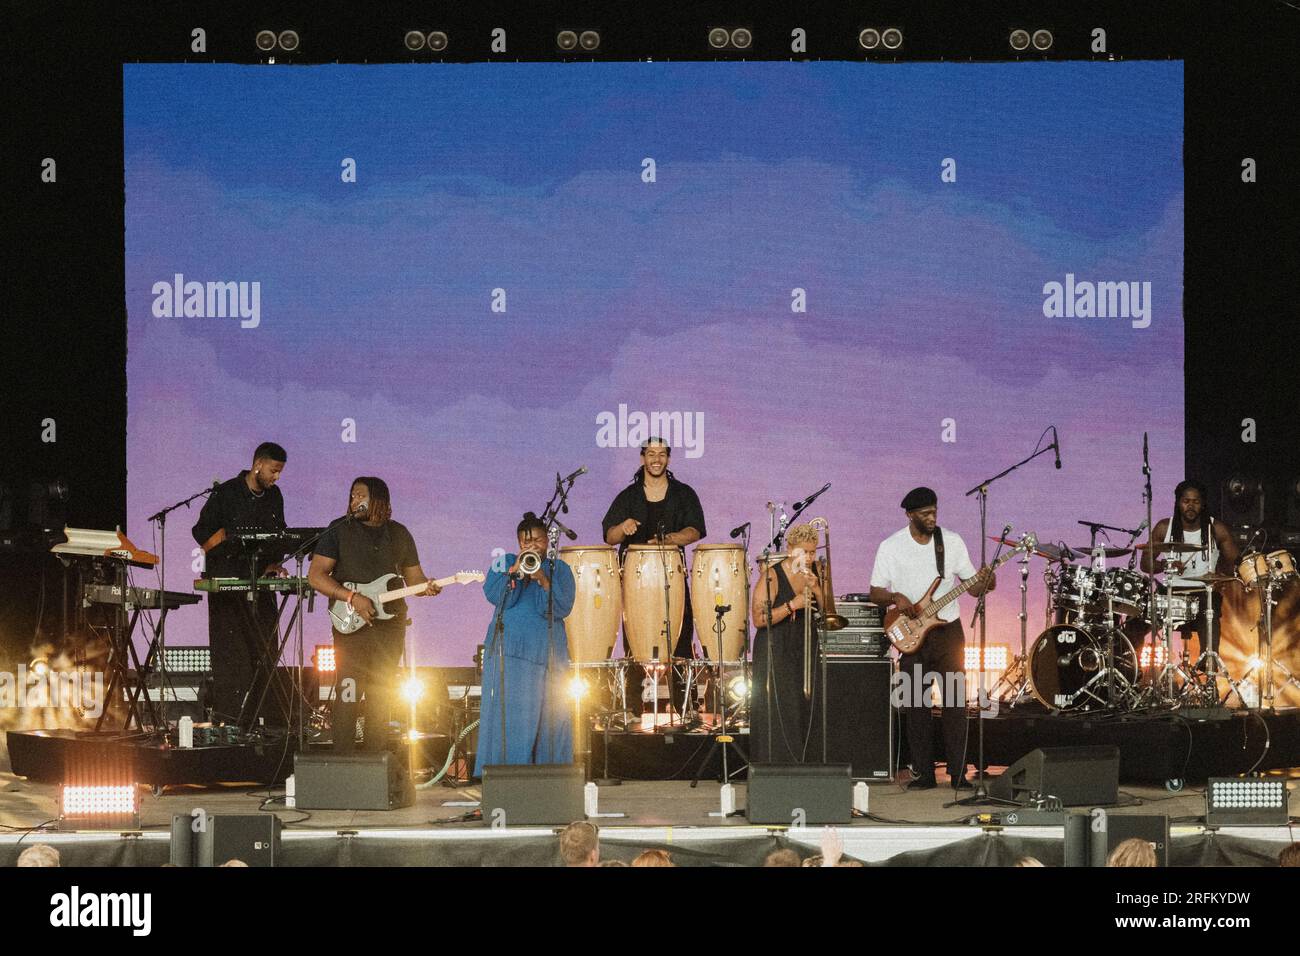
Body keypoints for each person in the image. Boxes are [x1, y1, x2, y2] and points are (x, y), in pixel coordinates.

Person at [868, 486, 994, 791]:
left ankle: (958, 774)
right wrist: (896, 596)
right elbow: (875, 593)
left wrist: (987, 582)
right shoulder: (891, 546)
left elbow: (973, 586)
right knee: (916, 706)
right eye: (925, 513)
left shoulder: (950, 542)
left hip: (948, 631)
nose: (931, 517)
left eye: (935, 511)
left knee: (955, 704)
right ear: (910, 515)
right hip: (912, 634)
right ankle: (923, 774)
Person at [308, 477, 441, 753]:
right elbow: (316, 576)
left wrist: (427, 588)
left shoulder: (399, 534)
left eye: (360, 496)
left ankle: (374, 766)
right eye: (352, 495)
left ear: (378, 500)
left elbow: (414, 579)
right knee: (348, 694)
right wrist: (352, 597)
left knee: (382, 697)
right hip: (351, 628)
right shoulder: (338, 530)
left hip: (390, 628)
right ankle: (344, 763)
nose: (354, 501)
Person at [601, 438, 706, 712]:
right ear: (642, 458)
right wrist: (623, 527)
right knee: (635, 642)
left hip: (672, 574)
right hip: (636, 580)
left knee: (681, 639)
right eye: (651, 454)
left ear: (668, 459)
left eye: (661, 454)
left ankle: (685, 708)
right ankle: (632, 710)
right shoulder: (628, 496)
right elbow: (609, 537)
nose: (656, 459)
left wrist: (670, 538)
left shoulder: (683, 493)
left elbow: (694, 530)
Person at [192, 441, 288, 727]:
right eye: (273, 470)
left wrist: (273, 563)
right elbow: (201, 532)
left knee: (266, 651)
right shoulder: (226, 493)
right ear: (258, 464)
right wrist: (225, 543)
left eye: (280, 472)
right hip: (229, 584)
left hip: (261, 586)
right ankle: (229, 722)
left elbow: (278, 535)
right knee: (232, 654)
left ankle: (266, 722)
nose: (276, 478)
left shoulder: (275, 496)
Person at [474, 513, 576, 776]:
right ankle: (506, 780)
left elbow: (560, 608)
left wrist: (542, 579)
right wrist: (516, 572)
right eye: (525, 542)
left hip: (547, 653)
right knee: (510, 722)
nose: (532, 547)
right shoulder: (505, 562)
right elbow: (496, 596)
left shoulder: (559, 569)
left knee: (552, 720)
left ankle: (551, 783)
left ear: (547, 542)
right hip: (511, 655)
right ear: (518, 543)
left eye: (538, 541)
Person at [1135, 479, 1240, 661]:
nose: (1190, 506)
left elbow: (1236, 562)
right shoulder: (1164, 527)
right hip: (1170, 593)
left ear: (1203, 504)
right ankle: (1131, 669)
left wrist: (1222, 578)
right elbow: (1146, 564)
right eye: (1186, 501)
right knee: (1134, 621)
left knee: (1210, 616)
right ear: (1178, 503)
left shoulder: (1216, 529)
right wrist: (1166, 566)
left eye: (1196, 501)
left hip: (1203, 594)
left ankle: (1208, 670)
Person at [750, 523, 826, 763]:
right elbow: (759, 618)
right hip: (776, 644)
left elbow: (828, 612)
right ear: (790, 549)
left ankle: (807, 762)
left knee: (807, 703)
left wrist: (816, 588)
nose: (809, 557)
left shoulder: (816, 571)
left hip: (805, 641)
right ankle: (778, 763)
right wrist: (792, 605)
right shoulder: (772, 575)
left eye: (812, 552)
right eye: (804, 551)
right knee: (780, 705)